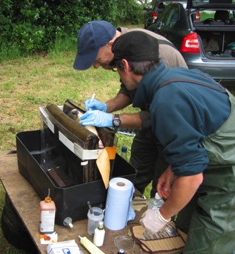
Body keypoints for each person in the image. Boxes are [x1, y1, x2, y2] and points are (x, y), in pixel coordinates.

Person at [81, 30, 235, 254]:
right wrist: (173, 168)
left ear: (125, 65)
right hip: (219, 161)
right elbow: (192, 132)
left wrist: (162, 216)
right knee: (184, 228)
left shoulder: (166, 98)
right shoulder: (178, 79)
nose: (120, 78)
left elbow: (192, 177)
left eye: (117, 70)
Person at [73, 20, 188, 197]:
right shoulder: (125, 47)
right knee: (133, 173)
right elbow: (130, 88)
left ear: (110, 44)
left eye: (97, 59)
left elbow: (156, 116)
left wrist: (113, 120)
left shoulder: (153, 54)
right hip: (151, 121)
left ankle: (155, 218)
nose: (96, 66)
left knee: (162, 186)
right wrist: (106, 107)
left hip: (174, 129)